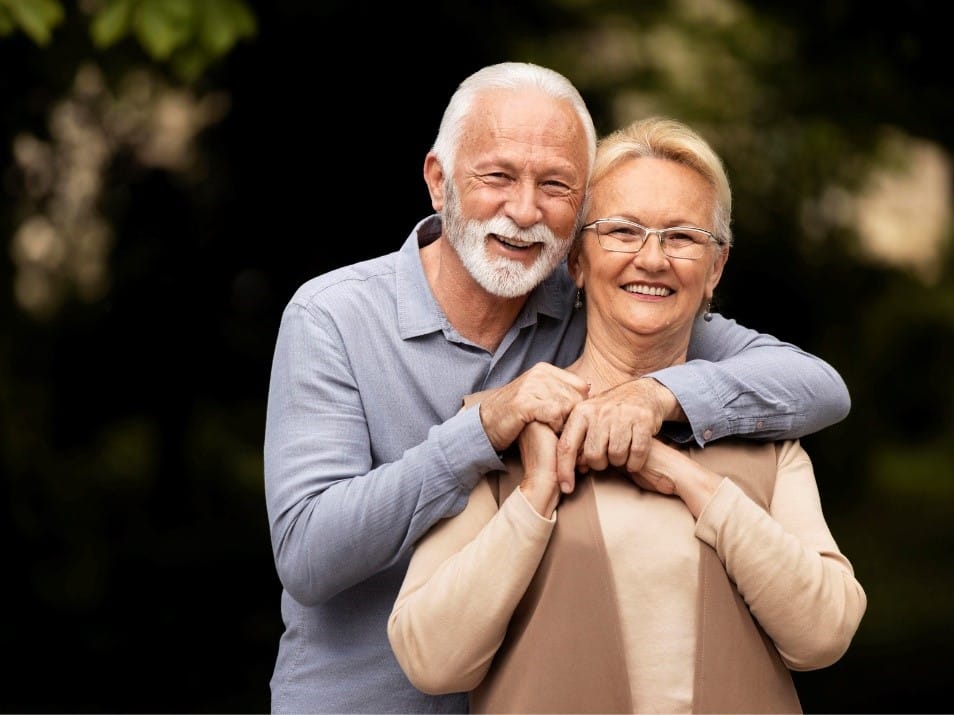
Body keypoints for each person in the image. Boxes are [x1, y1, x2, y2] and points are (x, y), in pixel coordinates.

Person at [264, 62, 851, 714]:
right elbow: (309, 556)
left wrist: (656, 395)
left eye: (556, 185)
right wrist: (480, 433)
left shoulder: (596, 298)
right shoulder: (333, 317)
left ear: (578, 222)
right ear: (439, 181)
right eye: (497, 176)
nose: (524, 209)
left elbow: (817, 386)